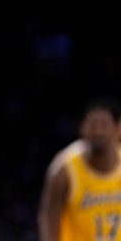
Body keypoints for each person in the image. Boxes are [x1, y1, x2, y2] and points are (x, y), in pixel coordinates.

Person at [38, 97, 121, 240]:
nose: (99, 131)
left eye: (104, 125)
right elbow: (48, 219)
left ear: (117, 129)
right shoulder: (63, 169)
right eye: (93, 125)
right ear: (81, 128)